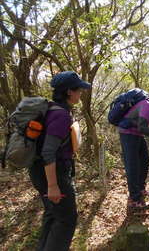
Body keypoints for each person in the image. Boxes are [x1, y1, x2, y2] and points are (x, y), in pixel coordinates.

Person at [29, 71, 91, 251]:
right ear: (69, 92)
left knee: (52, 215)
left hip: (39, 171)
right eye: (79, 89)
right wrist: (53, 185)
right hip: (51, 173)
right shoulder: (61, 115)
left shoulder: (51, 109)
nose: (81, 93)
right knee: (66, 220)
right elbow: (49, 152)